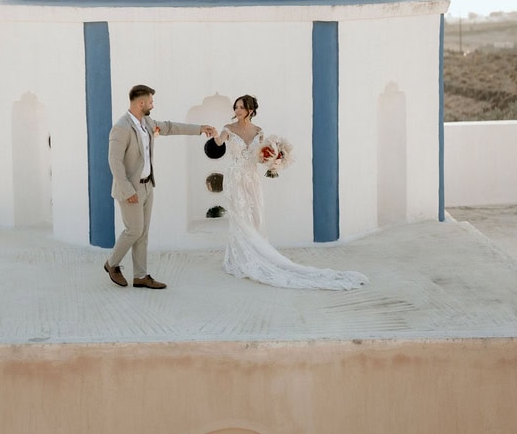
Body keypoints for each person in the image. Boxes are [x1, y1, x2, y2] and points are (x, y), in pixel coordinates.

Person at [212, 94, 368, 290]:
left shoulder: (259, 132)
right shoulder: (229, 128)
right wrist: (212, 135)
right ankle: (239, 257)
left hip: (252, 178)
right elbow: (219, 143)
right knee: (239, 216)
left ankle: (258, 253)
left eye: (241, 107)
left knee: (255, 215)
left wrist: (274, 161)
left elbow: (258, 157)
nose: (237, 111)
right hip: (235, 177)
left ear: (250, 110)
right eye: (236, 107)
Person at [105, 84, 214, 289]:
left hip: (148, 186)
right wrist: (128, 191)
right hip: (131, 189)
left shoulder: (146, 122)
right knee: (133, 230)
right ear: (141, 103)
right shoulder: (121, 127)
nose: (153, 105)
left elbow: (170, 127)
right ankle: (112, 264)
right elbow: (114, 162)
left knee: (143, 233)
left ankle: (140, 276)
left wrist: (199, 129)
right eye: (151, 102)